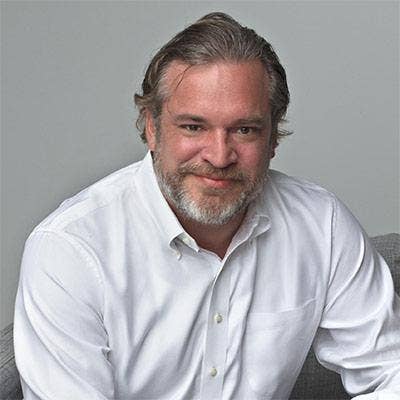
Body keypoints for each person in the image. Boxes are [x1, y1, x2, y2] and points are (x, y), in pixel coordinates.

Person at [14, 12, 400, 400]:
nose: (218, 156)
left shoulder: (321, 225)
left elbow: (391, 371)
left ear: (273, 138)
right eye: (193, 127)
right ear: (152, 127)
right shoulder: (70, 250)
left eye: (244, 129)